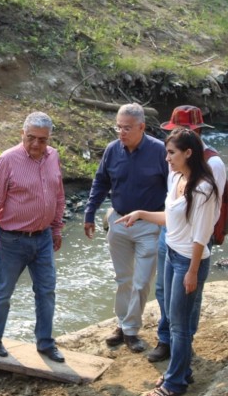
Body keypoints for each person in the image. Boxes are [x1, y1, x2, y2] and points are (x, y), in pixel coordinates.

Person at [115, 127, 219, 396]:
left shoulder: (204, 188)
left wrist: (193, 271)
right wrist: (140, 213)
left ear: (188, 153)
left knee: (179, 325)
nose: (167, 159)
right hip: (172, 253)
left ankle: (174, 385)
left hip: (188, 260)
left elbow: (201, 235)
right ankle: (181, 372)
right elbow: (169, 218)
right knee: (173, 318)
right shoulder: (176, 177)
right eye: (166, 153)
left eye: (172, 153)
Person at [0, 111, 66, 363]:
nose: (36, 144)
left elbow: (58, 195)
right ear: (22, 135)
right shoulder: (7, 160)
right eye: (31, 138)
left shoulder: (53, 157)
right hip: (12, 239)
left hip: (44, 238)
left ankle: (45, 343)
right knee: (3, 291)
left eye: (42, 139)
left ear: (49, 139)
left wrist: (57, 228)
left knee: (46, 291)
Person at [84, 103, 168, 353]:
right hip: (118, 222)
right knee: (123, 280)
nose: (121, 132)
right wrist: (89, 213)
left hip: (149, 226)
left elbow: (174, 188)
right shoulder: (112, 150)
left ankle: (131, 330)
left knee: (141, 282)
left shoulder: (160, 151)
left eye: (127, 128)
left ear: (142, 127)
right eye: (118, 127)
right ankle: (122, 325)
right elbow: (100, 182)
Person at [147, 105, 227, 363]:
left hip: (193, 240)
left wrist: (194, 262)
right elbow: (173, 201)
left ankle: (183, 345)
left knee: (189, 297)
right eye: (173, 131)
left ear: (196, 134)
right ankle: (166, 339)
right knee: (163, 290)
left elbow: (208, 213)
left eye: (181, 131)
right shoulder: (175, 162)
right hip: (170, 234)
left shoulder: (212, 164)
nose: (176, 135)